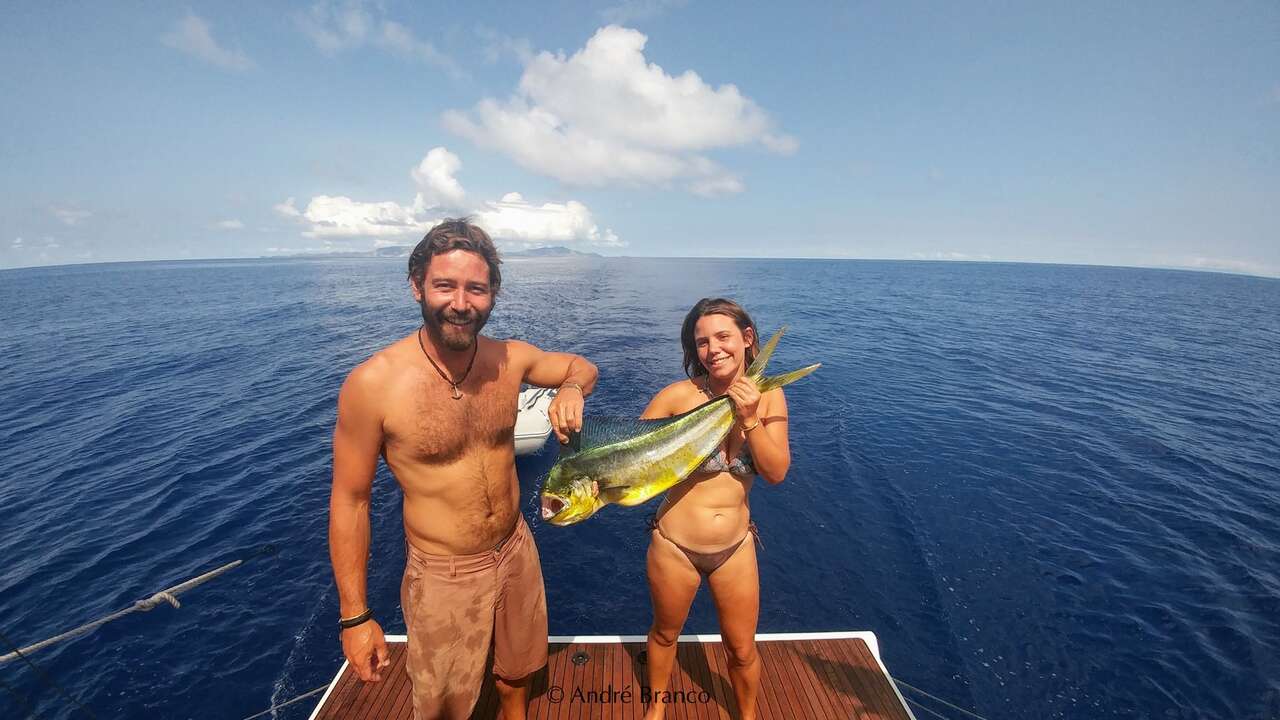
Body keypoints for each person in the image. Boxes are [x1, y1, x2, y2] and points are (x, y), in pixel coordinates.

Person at [328, 218, 597, 720]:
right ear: (417, 287)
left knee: (518, 676)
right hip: (443, 574)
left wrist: (572, 388)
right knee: (446, 710)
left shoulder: (509, 360)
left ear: (493, 293)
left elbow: (582, 366)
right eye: (445, 285)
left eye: (476, 288)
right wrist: (355, 617)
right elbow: (351, 500)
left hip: (516, 550)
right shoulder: (373, 385)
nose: (460, 302)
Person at [638, 298, 792, 720]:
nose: (713, 349)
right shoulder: (676, 397)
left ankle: (746, 714)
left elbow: (776, 472)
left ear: (746, 339)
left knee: (742, 650)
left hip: (735, 548)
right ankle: (656, 709)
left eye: (723, 336)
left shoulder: (770, 396)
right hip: (674, 546)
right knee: (666, 635)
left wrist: (749, 419)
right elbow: (631, 455)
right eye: (701, 341)